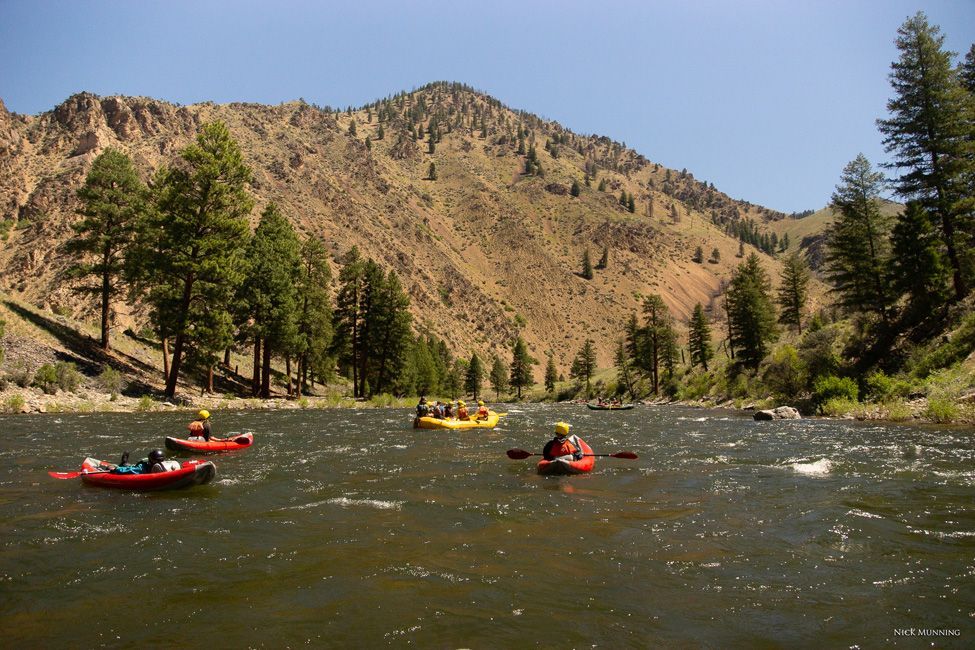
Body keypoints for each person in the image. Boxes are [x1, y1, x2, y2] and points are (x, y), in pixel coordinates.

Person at [114, 449, 180, 474]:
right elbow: (129, 470)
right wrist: (116, 469)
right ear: (151, 460)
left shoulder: (164, 465)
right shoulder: (142, 468)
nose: (159, 462)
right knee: (128, 466)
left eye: (161, 460)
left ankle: (125, 463)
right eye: (157, 461)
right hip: (137, 466)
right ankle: (124, 462)